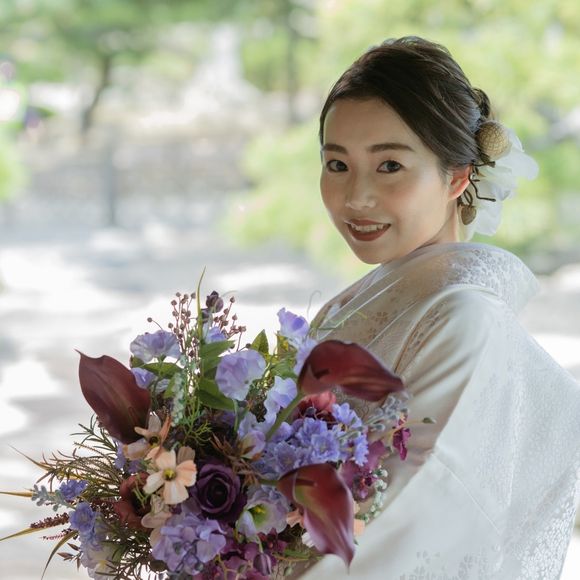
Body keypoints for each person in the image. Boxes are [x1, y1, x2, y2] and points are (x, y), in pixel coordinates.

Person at [298, 36, 580, 579]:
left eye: (389, 166)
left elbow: (408, 513)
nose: (355, 197)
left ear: (456, 177)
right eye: (337, 164)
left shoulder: (464, 318)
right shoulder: (354, 302)